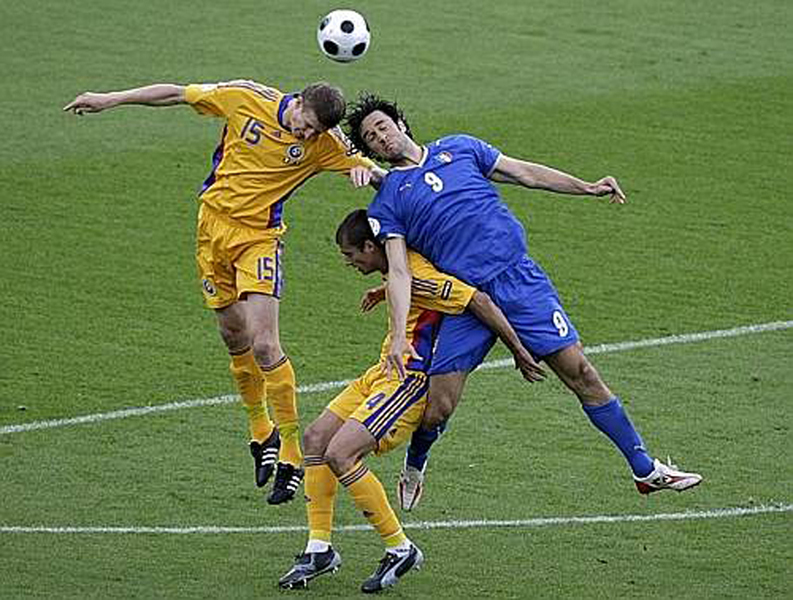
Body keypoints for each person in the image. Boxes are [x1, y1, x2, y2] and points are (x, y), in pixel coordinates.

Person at [344, 92, 703, 509]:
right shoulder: (387, 200)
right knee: (437, 408)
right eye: (371, 137)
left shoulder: (460, 147)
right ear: (371, 151)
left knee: (581, 373)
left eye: (383, 126)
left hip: (520, 281)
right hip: (468, 302)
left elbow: (525, 173)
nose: (381, 137)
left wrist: (586, 187)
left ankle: (644, 468)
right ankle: (415, 465)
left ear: (400, 123)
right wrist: (399, 334)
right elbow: (401, 271)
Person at [63, 80, 383, 504]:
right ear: (298, 102)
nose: (307, 137)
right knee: (234, 336)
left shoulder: (325, 143)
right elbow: (177, 94)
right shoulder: (245, 97)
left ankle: (290, 454)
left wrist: (366, 169)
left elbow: (379, 175)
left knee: (266, 346)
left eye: (315, 133)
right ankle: (261, 435)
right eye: (305, 126)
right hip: (211, 230)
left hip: (259, 240)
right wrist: (111, 99)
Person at [278, 209, 540, 593]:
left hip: (408, 382)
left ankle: (400, 548)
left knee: (341, 453)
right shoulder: (396, 267)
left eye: (352, 256)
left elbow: (478, 301)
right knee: (316, 438)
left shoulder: (417, 275)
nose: (350, 263)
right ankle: (319, 548)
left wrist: (517, 349)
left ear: (371, 246)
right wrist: (384, 290)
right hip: (381, 373)